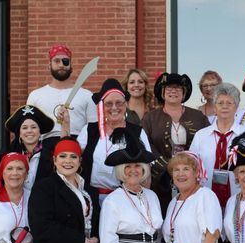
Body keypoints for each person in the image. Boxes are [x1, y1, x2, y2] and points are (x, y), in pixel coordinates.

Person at [190, 82, 245, 243]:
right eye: (220, 102)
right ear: (213, 105)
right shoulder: (202, 136)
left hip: (237, 203)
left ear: (237, 106)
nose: (224, 107)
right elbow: (192, 169)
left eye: (229, 103)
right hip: (208, 205)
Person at [142, 72, 209, 214]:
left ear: (184, 93)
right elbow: (144, 143)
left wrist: (191, 165)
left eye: (178, 88)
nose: (173, 91)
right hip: (160, 179)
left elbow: (207, 140)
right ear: (162, 92)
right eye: (169, 88)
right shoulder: (150, 118)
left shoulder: (198, 117)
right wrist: (165, 165)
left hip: (191, 176)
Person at [79, 78, 151, 206]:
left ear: (126, 104)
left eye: (119, 103)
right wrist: (65, 126)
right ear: (102, 106)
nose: (114, 108)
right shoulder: (89, 130)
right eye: (108, 104)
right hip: (91, 198)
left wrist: (141, 202)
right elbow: (73, 158)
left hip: (124, 199)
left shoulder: (137, 132)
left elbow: (146, 170)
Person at [27, 44, 97, 146]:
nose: (61, 65)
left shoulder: (87, 95)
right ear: (49, 65)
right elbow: (28, 127)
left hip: (77, 146)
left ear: (71, 65)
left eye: (65, 61)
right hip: (45, 147)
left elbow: (93, 129)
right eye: (56, 61)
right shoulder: (35, 96)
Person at [6, 104, 55, 190]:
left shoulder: (51, 157)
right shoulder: (8, 155)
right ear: (19, 133)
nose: (29, 131)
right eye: (25, 128)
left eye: (33, 127)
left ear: (40, 132)